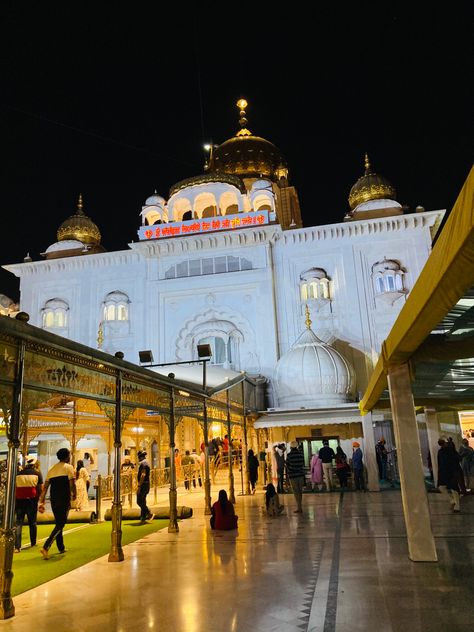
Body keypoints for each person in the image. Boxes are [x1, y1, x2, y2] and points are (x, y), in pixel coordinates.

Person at [38, 447, 76, 560]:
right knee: (61, 524)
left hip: (54, 499)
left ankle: (61, 547)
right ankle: (46, 547)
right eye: (69, 455)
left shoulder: (51, 469)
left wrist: (42, 501)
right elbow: (72, 484)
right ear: (66, 457)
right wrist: (75, 494)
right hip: (64, 499)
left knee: (59, 522)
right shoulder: (68, 467)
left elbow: (45, 488)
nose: (69, 457)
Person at [15, 457, 43, 552]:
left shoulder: (18, 474)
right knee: (32, 523)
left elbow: (15, 489)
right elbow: (40, 489)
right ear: (34, 464)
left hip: (19, 501)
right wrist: (39, 500)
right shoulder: (37, 474)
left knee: (19, 523)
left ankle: (17, 546)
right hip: (31, 501)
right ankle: (33, 542)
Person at [437, 438, 461, 512]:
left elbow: (457, 459)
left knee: (454, 488)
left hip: (452, 472)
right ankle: (452, 501)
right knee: (442, 487)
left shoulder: (450, 451)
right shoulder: (442, 451)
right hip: (445, 472)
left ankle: (457, 506)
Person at [285, 440, 305, 513]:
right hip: (300, 475)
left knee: (296, 491)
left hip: (293, 475)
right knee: (300, 491)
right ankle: (300, 506)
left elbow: (287, 465)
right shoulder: (301, 454)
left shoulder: (289, 455)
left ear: (291, 447)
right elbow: (302, 463)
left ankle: (299, 507)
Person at [137, 450, 154, 524]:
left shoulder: (143, 464)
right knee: (143, 500)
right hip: (147, 484)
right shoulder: (146, 463)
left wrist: (139, 485)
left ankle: (149, 513)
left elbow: (143, 475)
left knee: (139, 501)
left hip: (143, 484)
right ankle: (143, 517)